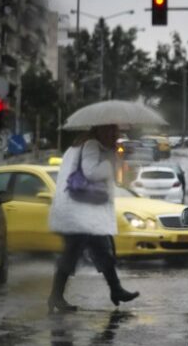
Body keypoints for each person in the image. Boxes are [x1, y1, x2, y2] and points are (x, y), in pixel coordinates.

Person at [47, 124, 139, 313]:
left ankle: (116, 290)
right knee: (73, 253)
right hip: (79, 214)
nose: (114, 135)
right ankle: (56, 296)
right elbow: (91, 173)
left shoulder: (80, 146)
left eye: (115, 132)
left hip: (81, 211)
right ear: (99, 131)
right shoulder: (91, 145)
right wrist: (108, 163)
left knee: (102, 249)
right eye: (110, 131)